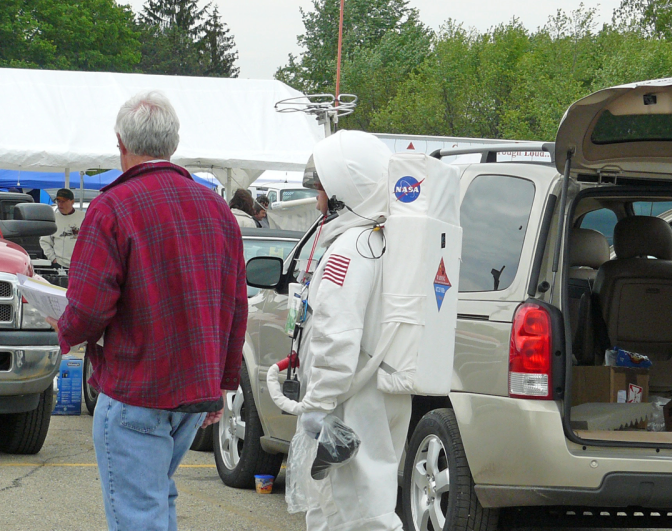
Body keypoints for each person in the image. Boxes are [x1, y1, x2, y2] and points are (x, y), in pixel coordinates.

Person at [46, 91, 247, 531]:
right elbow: (236, 305)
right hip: (192, 392)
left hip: (136, 389)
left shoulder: (112, 207)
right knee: (157, 501)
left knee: (140, 514)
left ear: (121, 144)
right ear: (173, 144)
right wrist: (223, 382)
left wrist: (62, 328)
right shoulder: (217, 209)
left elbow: (89, 307)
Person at [292, 130, 411, 530]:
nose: (318, 201)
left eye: (322, 190)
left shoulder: (352, 248)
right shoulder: (385, 241)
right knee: (358, 502)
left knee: (357, 509)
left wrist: (318, 403)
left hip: (352, 399)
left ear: (344, 192)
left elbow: (337, 334)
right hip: (381, 389)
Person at [39, 188, 85, 268]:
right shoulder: (52, 219)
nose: (60, 204)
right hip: (60, 265)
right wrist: (53, 259)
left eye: (63, 201)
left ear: (72, 202)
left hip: (80, 265)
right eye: (58, 201)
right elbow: (44, 241)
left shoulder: (84, 217)